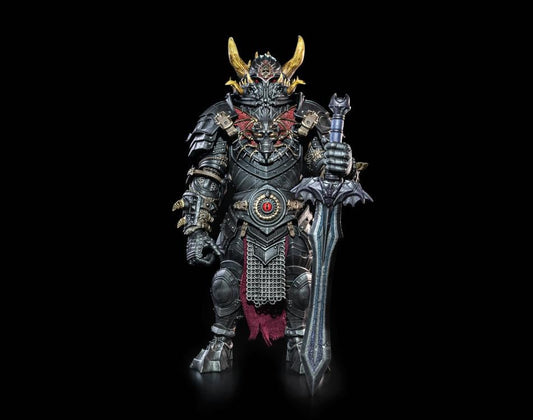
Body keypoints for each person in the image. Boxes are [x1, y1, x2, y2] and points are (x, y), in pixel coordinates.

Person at [173, 36, 361, 374]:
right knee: (224, 283)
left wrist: (340, 162)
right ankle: (220, 342)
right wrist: (197, 231)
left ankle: (298, 342)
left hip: (293, 227)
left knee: (301, 285)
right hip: (240, 228)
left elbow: (323, 169)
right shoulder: (224, 120)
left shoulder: (305, 120)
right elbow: (208, 177)